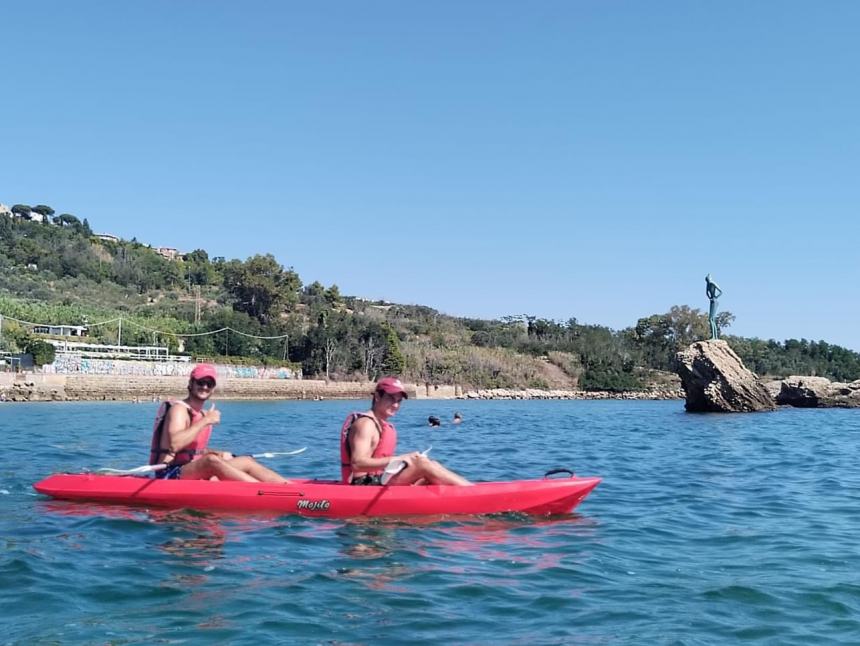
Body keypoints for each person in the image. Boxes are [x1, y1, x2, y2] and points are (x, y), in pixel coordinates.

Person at [149, 364, 289, 482]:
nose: (204, 387)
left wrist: (218, 453)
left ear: (213, 388)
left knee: (245, 460)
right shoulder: (179, 409)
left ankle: (289, 488)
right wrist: (206, 421)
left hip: (193, 470)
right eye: (200, 382)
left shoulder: (203, 414)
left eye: (209, 384)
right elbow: (175, 444)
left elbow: (192, 450)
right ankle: (263, 492)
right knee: (211, 461)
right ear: (191, 383)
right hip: (169, 474)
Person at [340, 376, 471, 486]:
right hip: (362, 485)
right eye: (391, 398)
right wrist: (400, 458)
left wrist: (404, 461)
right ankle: (472, 493)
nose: (396, 405)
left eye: (399, 401)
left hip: (379, 479)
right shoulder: (366, 424)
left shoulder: (381, 424)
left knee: (432, 467)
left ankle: (466, 495)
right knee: (422, 465)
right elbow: (357, 464)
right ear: (377, 397)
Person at [705, 274, 723, 340]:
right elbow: (706, 293)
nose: (708, 281)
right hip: (712, 301)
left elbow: (721, 291)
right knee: (711, 319)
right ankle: (714, 336)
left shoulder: (712, 283)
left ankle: (715, 337)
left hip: (714, 301)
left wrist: (715, 297)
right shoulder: (708, 284)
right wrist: (710, 298)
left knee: (711, 319)